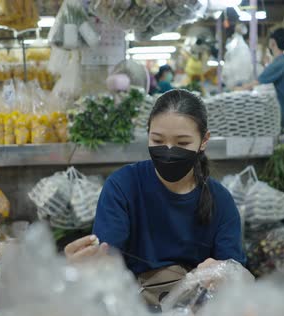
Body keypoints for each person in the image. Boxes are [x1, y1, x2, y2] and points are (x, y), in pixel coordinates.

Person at [65, 90, 245, 303]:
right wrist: (82, 267)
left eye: (182, 143)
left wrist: (223, 272)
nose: (168, 151)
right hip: (133, 312)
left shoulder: (220, 200)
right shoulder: (123, 186)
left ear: (204, 140)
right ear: (148, 133)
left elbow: (234, 274)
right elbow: (105, 259)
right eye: (158, 140)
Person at [257, 28, 284, 132]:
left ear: (273, 42)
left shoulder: (280, 63)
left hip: (282, 117)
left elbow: (257, 82)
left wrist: (237, 88)